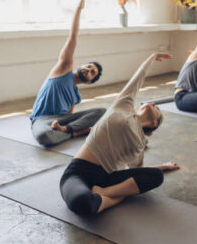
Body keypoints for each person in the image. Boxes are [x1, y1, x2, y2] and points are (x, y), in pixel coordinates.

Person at [60, 52, 180, 215]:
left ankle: (104, 194)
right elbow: (136, 81)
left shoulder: (140, 144)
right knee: (80, 202)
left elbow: (137, 172)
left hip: (108, 179)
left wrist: (163, 167)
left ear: (154, 124)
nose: (152, 103)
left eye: (156, 108)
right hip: (79, 171)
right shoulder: (124, 106)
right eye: (152, 103)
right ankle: (110, 197)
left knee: (156, 176)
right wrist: (151, 58)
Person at [29, 0, 105, 147]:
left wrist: (67, 126)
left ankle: (69, 131)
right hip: (42, 120)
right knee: (44, 137)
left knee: (101, 112)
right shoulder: (63, 70)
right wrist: (78, 9)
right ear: (80, 66)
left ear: (90, 82)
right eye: (88, 67)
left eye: (92, 73)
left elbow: (70, 115)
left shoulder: (75, 97)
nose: (88, 70)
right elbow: (73, 36)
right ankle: (75, 133)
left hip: (62, 121)